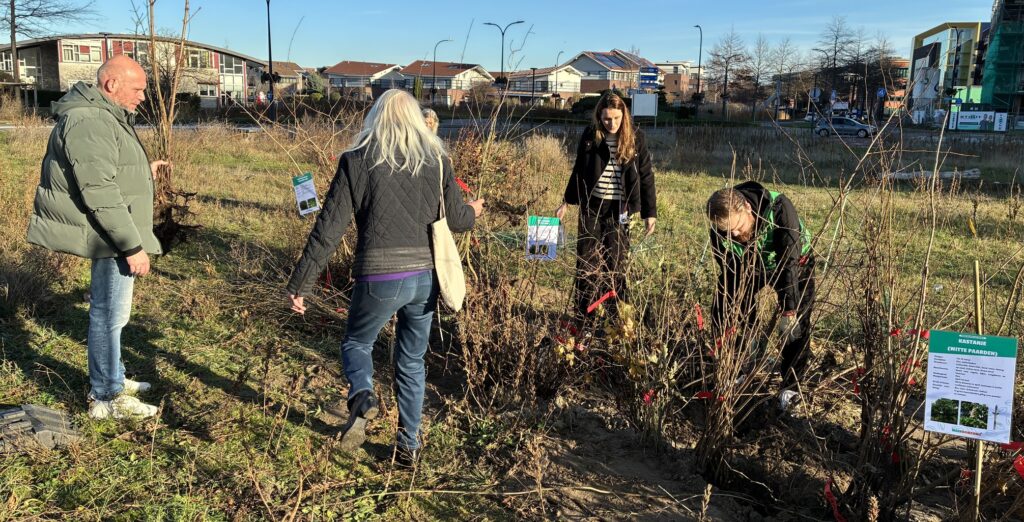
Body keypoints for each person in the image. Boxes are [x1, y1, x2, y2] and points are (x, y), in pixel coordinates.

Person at [286, 89, 484, 466]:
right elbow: (459, 221)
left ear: (375, 118)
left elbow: (328, 229)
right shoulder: (437, 160)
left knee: (357, 343)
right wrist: (474, 210)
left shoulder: (356, 160)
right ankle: (409, 445)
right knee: (411, 361)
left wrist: (301, 284)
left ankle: (363, 395)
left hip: (377, 277)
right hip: (425, 278)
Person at [26, 55, 165, 419]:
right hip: (110, 235)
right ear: (111, 84)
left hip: (112, 231)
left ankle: (113, 375)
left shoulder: (104, 115)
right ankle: (107, 396)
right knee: (109, 315)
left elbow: (107, 168)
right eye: (138, 89)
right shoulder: (89, 120)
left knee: (114, 313)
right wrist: (131, 246)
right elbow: (98, 190)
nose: (143, 97)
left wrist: (143, 171)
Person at [707, 182, 815, 408]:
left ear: (748, 208)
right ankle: (737, 370)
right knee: (722, 308)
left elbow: (789, 263)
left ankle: (791, 386)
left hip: (794, 264)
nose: (735, 235)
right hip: (752, 266)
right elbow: (731, 274)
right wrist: (748, 323)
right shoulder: (719, 226)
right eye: (728, 231)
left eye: (738, 227)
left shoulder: (779, 208)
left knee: (797, 325)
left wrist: (789, 310)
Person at [555, 92, 656, 327]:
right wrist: (566, 202)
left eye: (617, 118)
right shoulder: (591, 135)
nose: (612, 123)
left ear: (624, 116)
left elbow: (646, 175)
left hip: (620, 209)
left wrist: (649, 213)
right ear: (599, 117)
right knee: (587, 264)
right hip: (592, 207)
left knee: (616, 264)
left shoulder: (636, 138)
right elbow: (579, 169)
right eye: (607, 119)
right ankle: (584, 319)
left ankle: (616, 320)